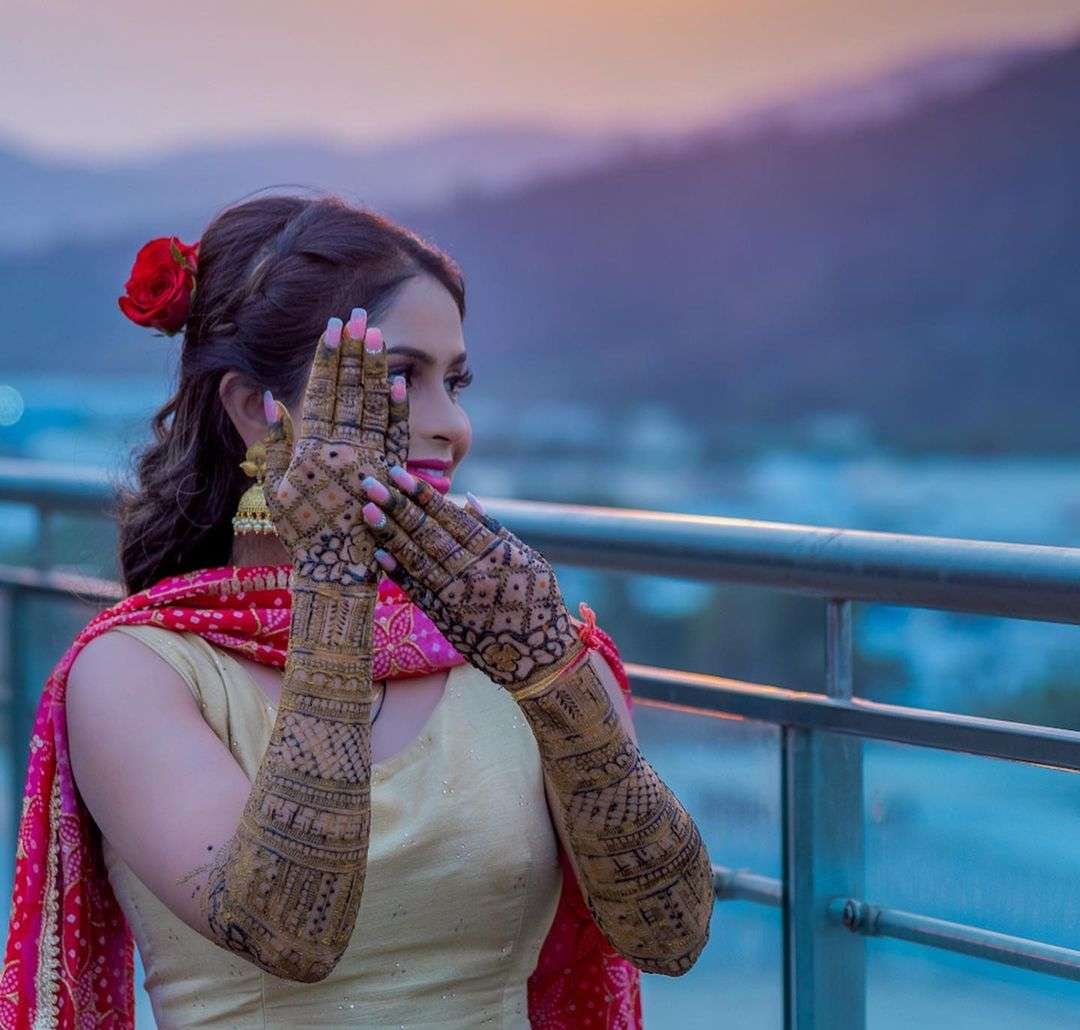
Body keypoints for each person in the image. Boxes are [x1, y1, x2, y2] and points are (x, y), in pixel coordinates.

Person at [3, 192, 713, 1028]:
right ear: (252, 409)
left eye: (456, 382)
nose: (452, 426)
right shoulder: (139, 671)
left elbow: (671, 934)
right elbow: (287, 929)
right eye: (401, 378)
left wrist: (551, 666)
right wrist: (334, 576)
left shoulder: (511, 637)